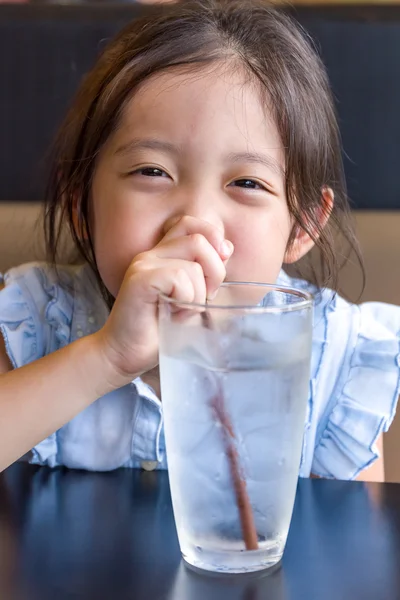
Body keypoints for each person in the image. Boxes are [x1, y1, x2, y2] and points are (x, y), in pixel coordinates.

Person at [0, 0, 398, 479]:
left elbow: (354, 546)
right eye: (153, 171)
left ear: (305, 226)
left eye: (247, 183)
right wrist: (107, 357)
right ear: (79, 206)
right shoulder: (30, 321)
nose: (197, 222)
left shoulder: (335, 361)